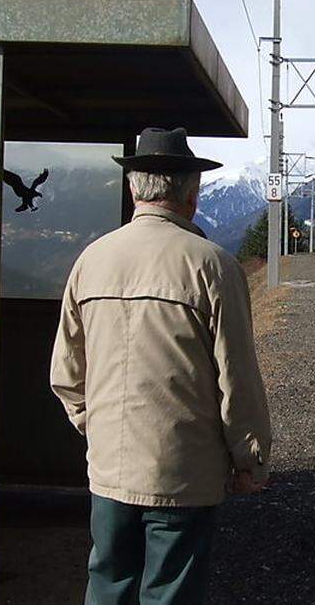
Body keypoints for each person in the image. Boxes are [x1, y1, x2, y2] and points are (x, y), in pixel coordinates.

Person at [50, 126, 273, 604]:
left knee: (107, 583)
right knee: (169, 592)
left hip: (109, 467)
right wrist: (249, 458)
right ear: (191, 193)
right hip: (183, 472)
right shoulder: (213, 265)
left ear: (133, 190)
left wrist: (97, 425)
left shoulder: (91, 261)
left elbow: (66, 373)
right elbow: (237, 378)